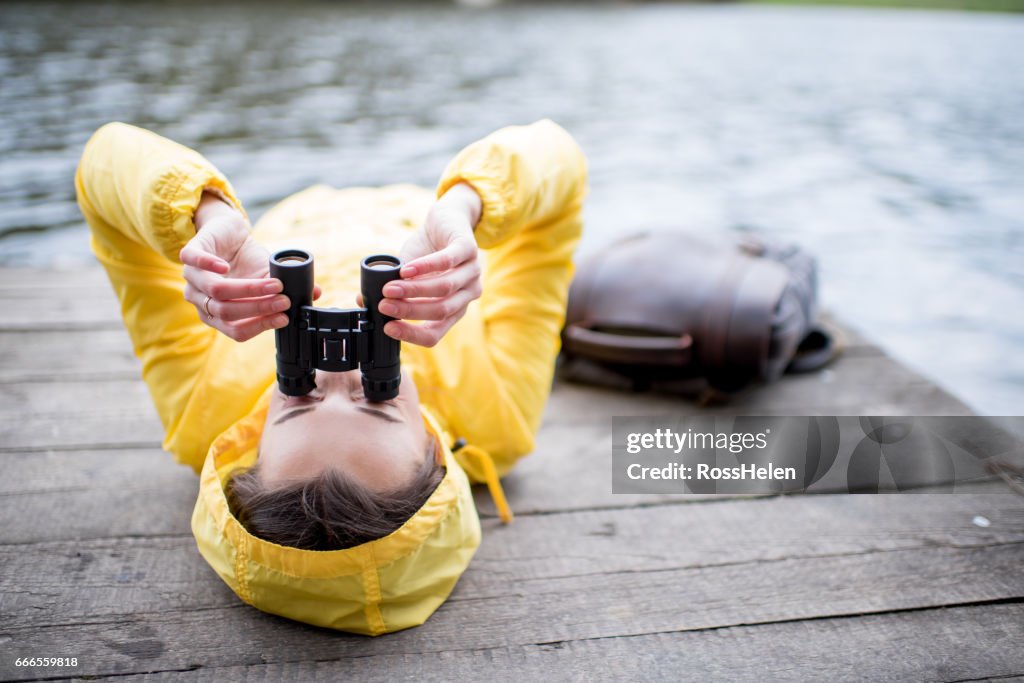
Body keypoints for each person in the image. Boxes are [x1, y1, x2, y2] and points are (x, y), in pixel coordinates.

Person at [75, 119, 587, 635]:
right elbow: (560, 164)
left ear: (250, 449)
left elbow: (107, 158)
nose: (330, 373)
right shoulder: (498, 419)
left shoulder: (200, 416)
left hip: (296, 218)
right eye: (378, 394)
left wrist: (202, 217)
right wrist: (467, 209)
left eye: (297, 394)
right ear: (436, 451)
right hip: (424, 221)